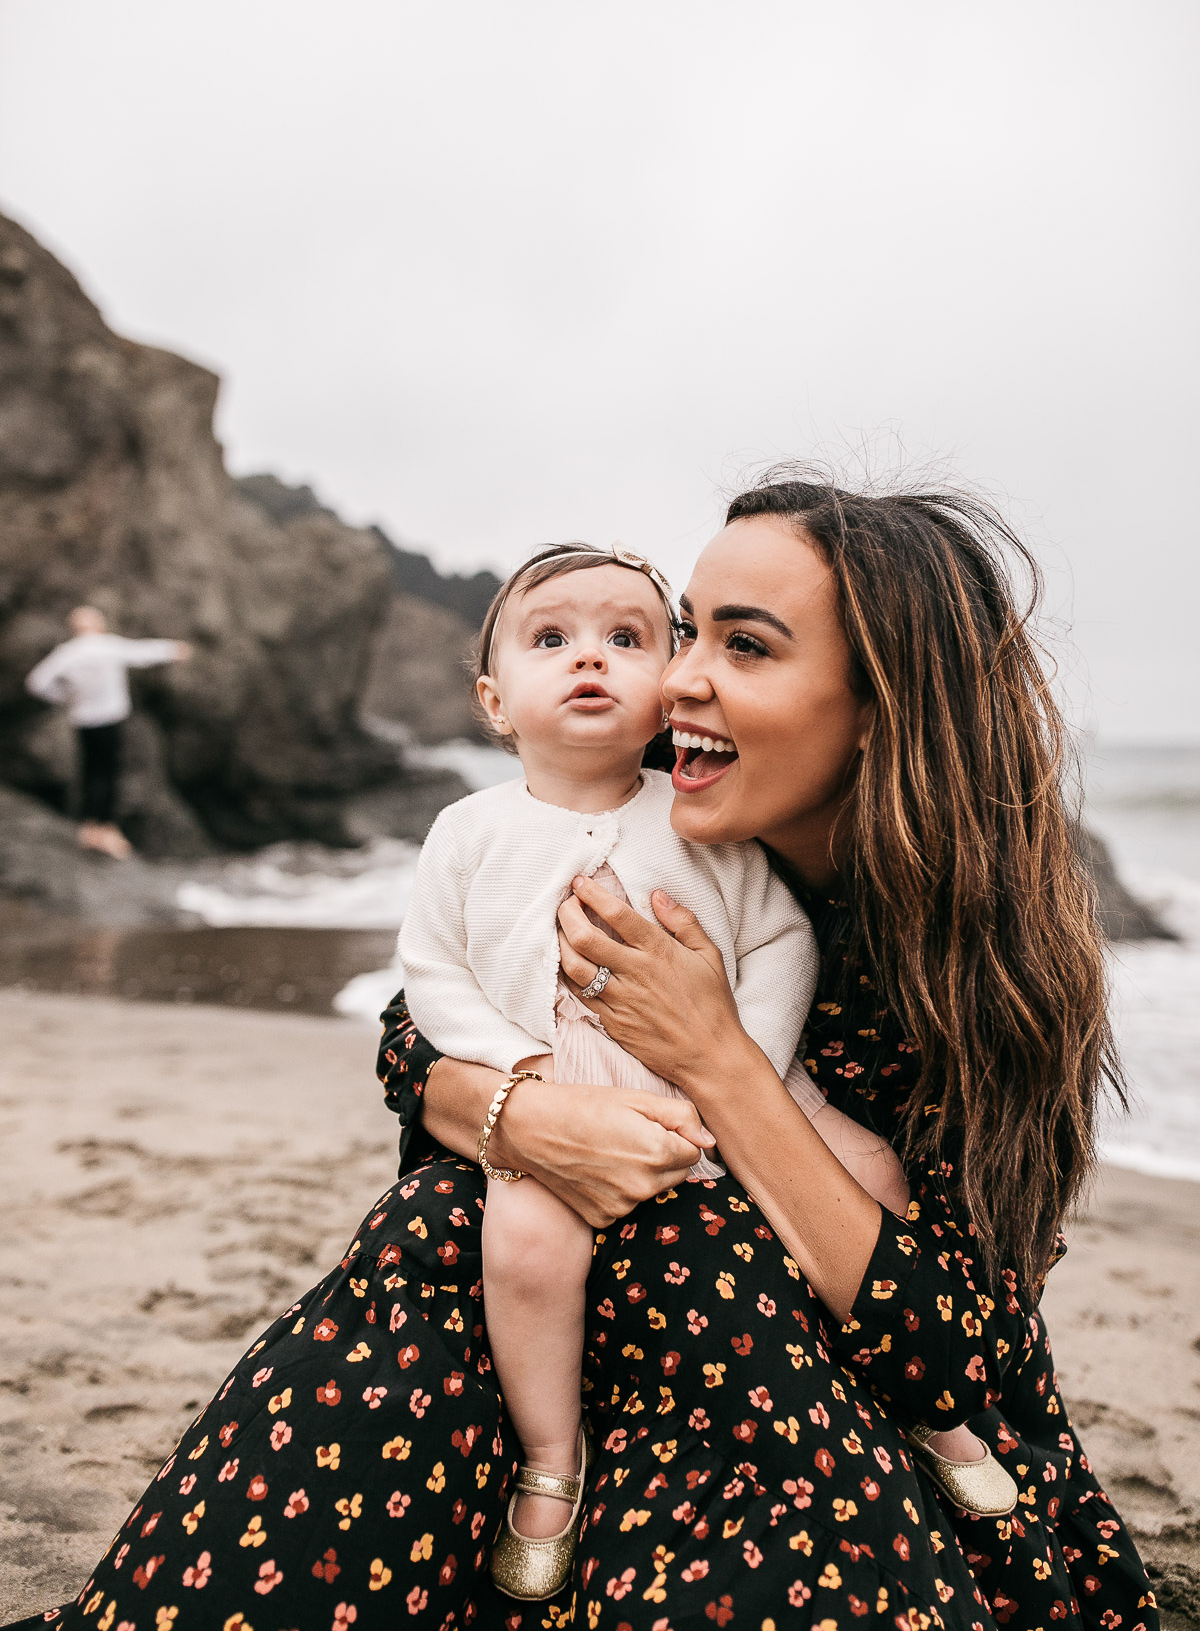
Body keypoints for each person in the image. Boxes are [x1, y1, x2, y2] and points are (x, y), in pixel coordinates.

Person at [9, 471, 1156, 1631]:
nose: (683, 676)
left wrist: (715, 1058)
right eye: (689, 632)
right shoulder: (622, 839)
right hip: (586, 1315)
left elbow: (955, 1356)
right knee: (445, 1222)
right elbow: (418, 1028)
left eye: (746, 647)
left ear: (882, 706)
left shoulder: (972, 962)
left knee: (663, 1263)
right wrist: (519, 1113)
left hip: (814, 1380)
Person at [401, 539, 1012, 1602]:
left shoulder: (698, 826)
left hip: (749, 1084)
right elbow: (429, 976)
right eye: (552, 640)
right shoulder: (468, 831)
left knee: (872, 1170)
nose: (590, 658)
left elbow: (779, 944)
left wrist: (742, 1071)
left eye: (626, 638)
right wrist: (521, 1073)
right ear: (494, 702)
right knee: (527, 1252)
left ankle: (937, 1413)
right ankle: (550, 1462)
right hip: (565, 1088)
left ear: (659, 690)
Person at [25, 606, 192, 858]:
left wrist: (63, 697)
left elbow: (36, 683)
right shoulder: (107, 646)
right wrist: (174, 650)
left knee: (90, 773)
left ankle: (89, 828)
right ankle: (105, 829)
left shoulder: (68, 653)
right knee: (108, 774)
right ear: (96, 625)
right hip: (109, 720)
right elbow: (142, 653)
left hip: (83, 721)